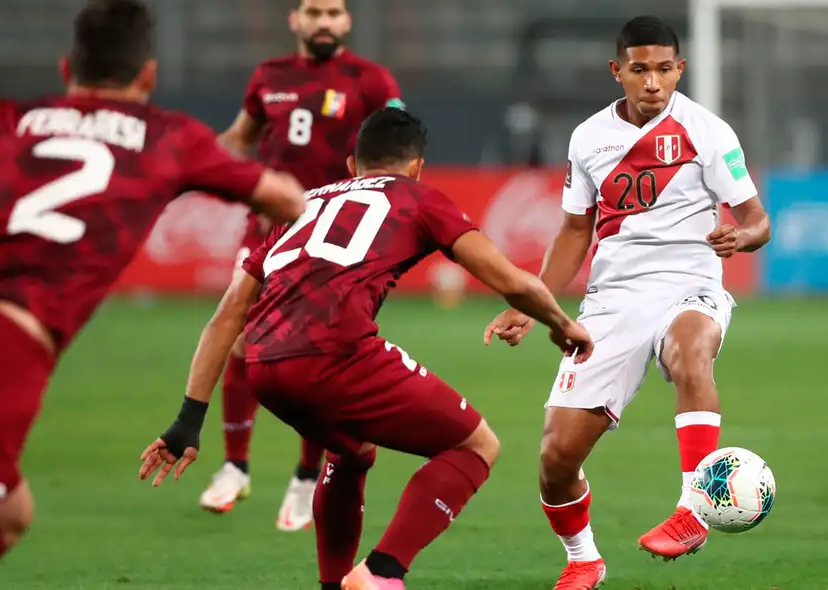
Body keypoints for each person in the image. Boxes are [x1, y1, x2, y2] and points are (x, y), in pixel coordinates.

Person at [0, 1, 306, 588]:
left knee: (7, 516)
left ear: (65, 70)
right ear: (149, 75)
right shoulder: (169, 138)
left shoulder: (9, 118)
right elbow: (284, 199)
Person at [140, 107, 594, 590]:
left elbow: (227, 316)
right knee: (476, 445)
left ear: (352, 165)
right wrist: (563, 324)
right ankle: (383, 572)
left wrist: (188, 419)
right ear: (418, 166)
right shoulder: (419, 197)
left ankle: (334, 585)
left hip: (264, 366)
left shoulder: (302, 204)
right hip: (335, 354)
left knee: (351, 451)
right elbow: (509, 280)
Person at [484, 15, 771, 589]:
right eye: (639, 70)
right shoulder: (588, 138)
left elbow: (757, 221)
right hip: (613, 299)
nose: (653, 83)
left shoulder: (709, 132)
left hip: (690, 280)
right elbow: (572, 233)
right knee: (556, 459)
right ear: (618, 71)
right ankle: (584, 559)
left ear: (679, 70)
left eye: (664, 70)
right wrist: (532, 300)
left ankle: (694, 508)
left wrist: (740, 237)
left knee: (692, 352)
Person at [201, 0, 405, 532]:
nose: (323, 21)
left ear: (347, 22)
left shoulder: (371, 80)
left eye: (333, 12)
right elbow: (238, 139)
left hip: (334, 231)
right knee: (242, 339)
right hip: (266, 227)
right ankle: (235, 464)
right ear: (295, 19)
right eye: (313, 11)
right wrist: (199, 166)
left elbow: (398, 144)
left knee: (315, 349)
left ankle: (305, 475)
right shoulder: (269, 76)